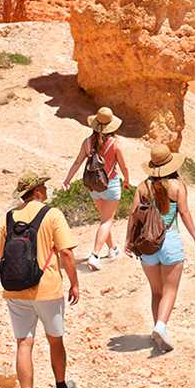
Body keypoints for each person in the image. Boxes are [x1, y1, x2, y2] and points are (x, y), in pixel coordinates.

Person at [0, 171, 80, 388]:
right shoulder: (52, 215)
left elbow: (2, 255)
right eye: (44, 186)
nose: (46, 189)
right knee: (55, 340)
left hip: (16, 289)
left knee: (24, 343)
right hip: (48, 290)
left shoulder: (9, 218)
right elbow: (66, 253)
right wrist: (74, 283)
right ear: (37, 191)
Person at [126, 144, 195, 353]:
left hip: (147, 245)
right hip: (170, 241)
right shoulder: (178, 186)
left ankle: (157, 331)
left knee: (156, 291)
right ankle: (161, 326)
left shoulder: (143, 187)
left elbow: (133, 216)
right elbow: (185, 214)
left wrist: (128, 242)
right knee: (170, 290)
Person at [64, 106, 131, 270]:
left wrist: (67, 180)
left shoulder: (87, 142)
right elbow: (124, 167)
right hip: (111, 184)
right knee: (107, 221)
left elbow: (78, 162)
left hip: (94, 186)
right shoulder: (115, 144)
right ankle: (94, 255)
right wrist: (127, 181)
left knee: (104, 220)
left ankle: (113, 249)